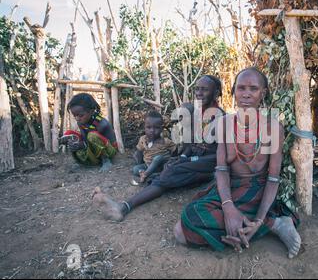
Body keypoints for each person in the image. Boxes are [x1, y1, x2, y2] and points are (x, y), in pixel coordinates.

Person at [173, 67, 302, 259]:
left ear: (263, 93)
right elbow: (222, 170)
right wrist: (228, 208)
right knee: (183, 227)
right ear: (234, 92)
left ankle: (262, 223)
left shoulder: (272, 128)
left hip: (256, 190)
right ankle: (273, 224)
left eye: (253, 89)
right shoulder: (224, 123)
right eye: (241, 88)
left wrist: (258, 218)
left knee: (183, 232)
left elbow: (273, 178)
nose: (247, 94)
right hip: (228, 186)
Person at [93, 75, 225, 221]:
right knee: (169, 166)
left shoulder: (221, 119)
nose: (199, 93)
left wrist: (187, 162)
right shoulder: (196, 116)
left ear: (216, 92)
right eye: (197, 89)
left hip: (209, 165)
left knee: (169, 171)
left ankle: (124, 207)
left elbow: (219, 156)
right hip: (193, 160)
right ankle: (125, 206)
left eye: (205, 90)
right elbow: (191, 146)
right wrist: (182, 158)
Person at [63, 93, 117, 172]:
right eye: (75, 115)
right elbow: (85, 139)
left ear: (91, 111)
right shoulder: (81, 122)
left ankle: (106, 161)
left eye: (81, 115)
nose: (77, 118)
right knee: (69, 134)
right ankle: (80, 162)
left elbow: (108, 144)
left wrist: (83, 144)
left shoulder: (102, 124)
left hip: (108, 152)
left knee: (92, 135)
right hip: (92, 153)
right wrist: (75, 144)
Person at [132, 110, 176, 185]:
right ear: (144, 127)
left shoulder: (165, 141)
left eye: (156, 128)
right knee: (135, 169)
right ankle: (152, 175)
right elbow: (139, 152)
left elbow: (175, 150)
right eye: (148, 127)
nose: (152, 130)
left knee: (158, 158)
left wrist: (171, 160)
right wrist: (138, 160)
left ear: (161, 129)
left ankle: (146, 175)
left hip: (161, 166)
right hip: (147, 165)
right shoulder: (143, 139)